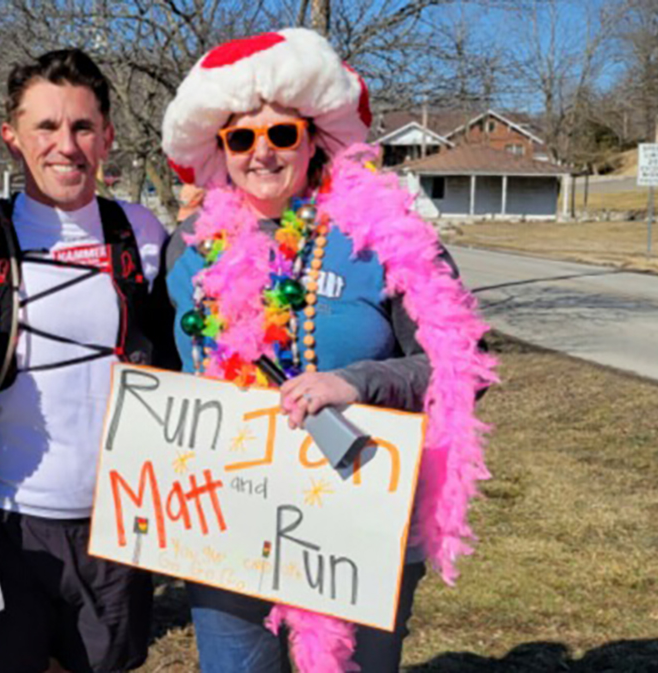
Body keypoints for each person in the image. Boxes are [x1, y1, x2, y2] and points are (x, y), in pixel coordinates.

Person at [159, 29, 497, 673]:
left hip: (356, 520)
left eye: (280, 134)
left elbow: (463, 365)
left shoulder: (384, 237)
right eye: (241, 137)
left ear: (313, 138)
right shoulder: (186, 250)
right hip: (223, 522)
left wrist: (359, 382)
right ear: (220, 150)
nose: (261, 153)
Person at [0, 49, 176, 673]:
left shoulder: (143, 232)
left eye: (81, 126)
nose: (65, 145)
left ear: (107, 135)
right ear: (12, 136)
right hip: (3, 519)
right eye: (45, 126)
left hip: (116, 523)